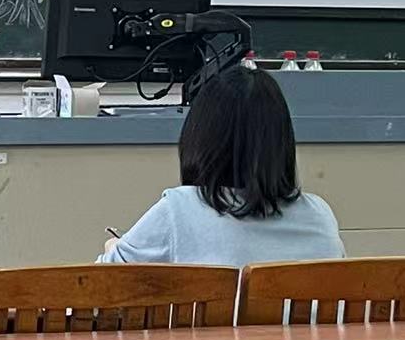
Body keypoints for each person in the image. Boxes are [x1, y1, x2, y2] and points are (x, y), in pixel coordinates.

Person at [98, 63, 343, 267]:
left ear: (200, 136)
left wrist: (115, 247)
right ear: (282, 142)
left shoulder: (179, 210)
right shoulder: (319, 215)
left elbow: (100, 287)